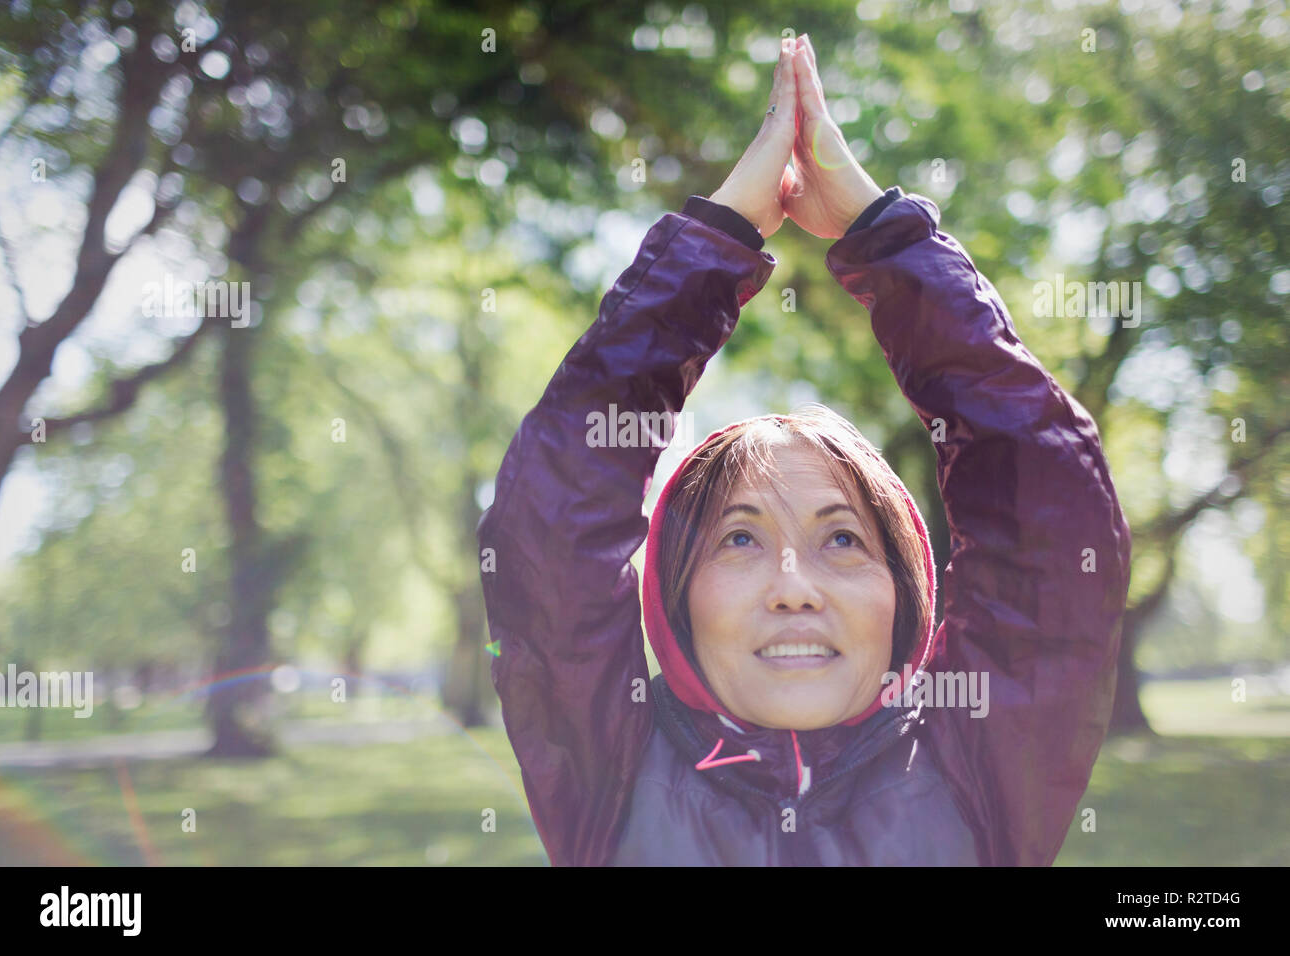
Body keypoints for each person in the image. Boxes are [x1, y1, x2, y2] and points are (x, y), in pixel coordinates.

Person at [476, 35, 1132, 866]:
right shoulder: (611, 768)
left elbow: (1048, 508)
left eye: (843, 540)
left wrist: (886, 237)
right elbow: (550, 525)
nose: (794, 589)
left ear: (903, 594)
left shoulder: (978, 767)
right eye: (740, 538)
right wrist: (714, 241)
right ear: (675, 597)